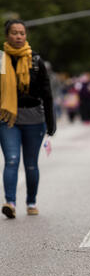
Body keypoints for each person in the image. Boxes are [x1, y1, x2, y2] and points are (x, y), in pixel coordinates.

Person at [0, 19, 56, 219]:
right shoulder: (1, 60)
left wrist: (51, 122)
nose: (18, 36)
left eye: (22, 33)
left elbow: (47, 93)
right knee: (12, 160)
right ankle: (10, 203)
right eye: (14, 33)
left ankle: (31, 201)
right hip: (8, 119)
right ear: (7, 36)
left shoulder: (35, 60)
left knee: (31, 164)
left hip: (34, 119)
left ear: (26, 36)